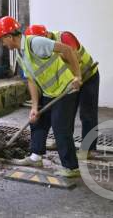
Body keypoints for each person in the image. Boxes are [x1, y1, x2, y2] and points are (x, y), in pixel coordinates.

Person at [0, 16, 83, 178]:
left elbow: (67, 50)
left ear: (9, 36)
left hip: (66, 89)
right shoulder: (20, 55)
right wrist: (35, 107)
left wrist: (77, 76)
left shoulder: (35, 43)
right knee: (37, 121)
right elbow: (31, 81)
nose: (3, 44)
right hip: (50, 92)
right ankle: (35, 157)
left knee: (60, 127)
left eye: (2, 40)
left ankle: (71, 167)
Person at [25, 24, 100, 159]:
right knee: (66, 113)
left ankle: (89, 149)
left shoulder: (64, 37)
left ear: (47, 35)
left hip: (88, 77)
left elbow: (74, 56)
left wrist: (56, 54)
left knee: (87, 114)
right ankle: (64, 143)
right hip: (70, 81)